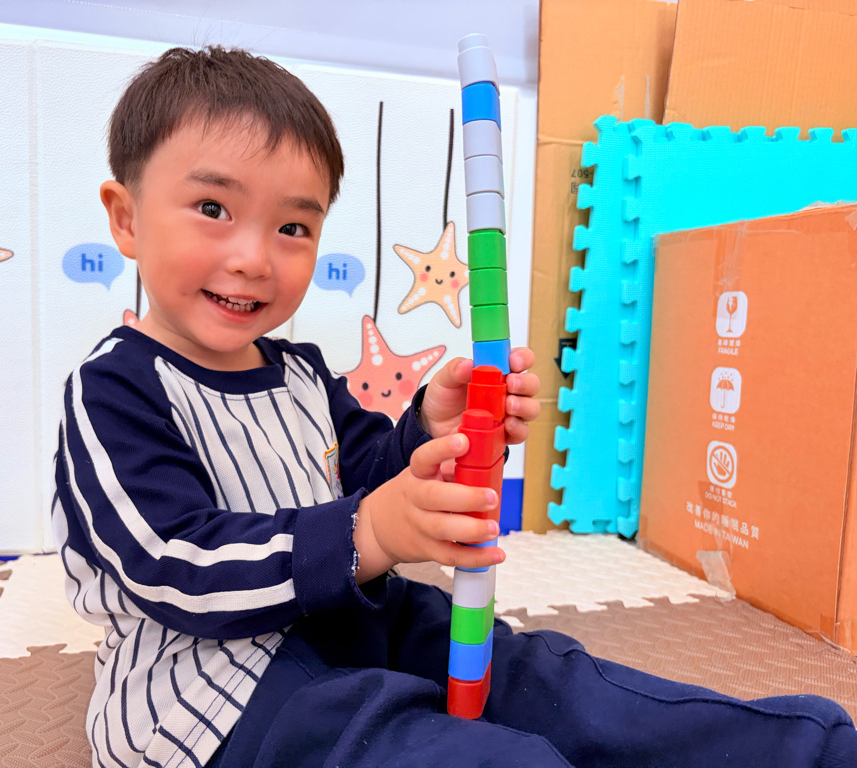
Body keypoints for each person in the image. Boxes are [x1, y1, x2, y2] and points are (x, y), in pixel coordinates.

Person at [52, 45, 857, 768]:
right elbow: (173, 566)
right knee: (436, 747)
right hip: (210, 690)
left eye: (293, 226)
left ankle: (809, 749)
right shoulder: (113, 389)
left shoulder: (298, 371)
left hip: (353, 623)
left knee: (550, 683)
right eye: (213, 209)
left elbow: (370, 476)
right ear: (126, 218)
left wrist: (432, 434)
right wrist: (370, 532)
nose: (254, 257)